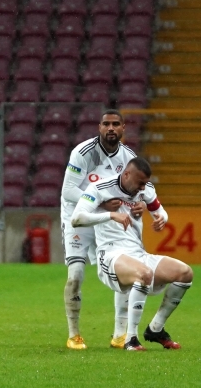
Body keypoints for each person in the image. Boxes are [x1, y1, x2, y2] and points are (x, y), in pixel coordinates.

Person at [71, 157, 194, 351]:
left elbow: (160, 211)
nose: (143, 188)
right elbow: (77, 218)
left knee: (185, 273)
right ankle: (131, 339)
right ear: (126, 174)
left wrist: (161, 219)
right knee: (144, 274)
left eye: (145, 183)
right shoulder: (100, 188)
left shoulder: (145, 190)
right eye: (140, 183)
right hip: (110, 254)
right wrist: (111, 215)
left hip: (138, 252)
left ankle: (155, 329)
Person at [60, 109, 144, 350]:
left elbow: (134, 190)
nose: (111, 128)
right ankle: (74, 334)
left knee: (124, 273)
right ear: (99, 127)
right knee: (76, 274)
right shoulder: (83, 152)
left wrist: (139, 204)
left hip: (109, 219)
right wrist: (100, 202)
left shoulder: (129, 157)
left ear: (123, 128)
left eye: (115, 124)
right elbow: (68, 190)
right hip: (80, 216)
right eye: (106, 124)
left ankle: (119, 334)